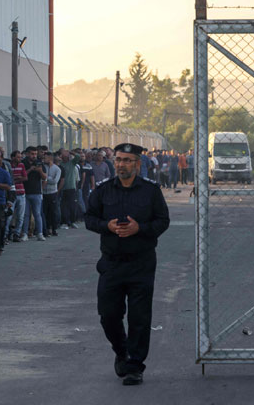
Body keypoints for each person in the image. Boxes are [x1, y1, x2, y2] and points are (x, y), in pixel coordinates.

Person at [84, 143, 170, 386]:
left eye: (127, 160)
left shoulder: (150, 191)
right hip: (111, 263)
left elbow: (163, 220)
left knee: (139, 317)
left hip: (141, 263)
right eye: (119, 160)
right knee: (108, 314)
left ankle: (134, 366)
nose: (121, 164)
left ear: (138, 164)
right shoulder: (103, 190)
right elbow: (89, 218)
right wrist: (107, 226)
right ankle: (122, 351)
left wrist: (139, 228)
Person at [42, 151, 61, 237]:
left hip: (52, 193)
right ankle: (47, 228)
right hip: (44, 193)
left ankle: (54, 228)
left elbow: (55, 181)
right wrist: (46, 179)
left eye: (45, 158)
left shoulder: (57, 169)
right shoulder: (43, 167)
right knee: (45, 211)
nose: (44, 159)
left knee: (53, 211)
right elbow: (41, 179)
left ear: (50, 158)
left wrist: (46, 178)